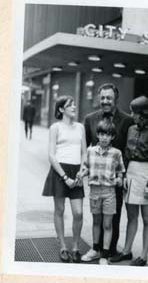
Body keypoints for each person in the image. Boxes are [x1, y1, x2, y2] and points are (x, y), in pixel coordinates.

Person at [110, 96, 148, 266]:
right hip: (131, 174)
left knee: (147, 218)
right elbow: (126, 155)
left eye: (134, 112)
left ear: (143, 113)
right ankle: (126, 252)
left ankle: (144, 255)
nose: (132, 115)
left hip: (146, 174)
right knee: (131, 217)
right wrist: (124, 175)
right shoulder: (131, 129)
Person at [84, 83, 133, 258]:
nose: (105, 101)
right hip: (97, 179)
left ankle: (110, 249)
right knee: (97, 216)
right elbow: (86, 149)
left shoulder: (127, 120)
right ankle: (96, 247)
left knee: (115, 214)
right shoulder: (90, 119)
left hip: (115, 179)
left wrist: (124, 175)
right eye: (102, 97)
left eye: (109, 98)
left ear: (116, 99)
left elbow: (129, 150)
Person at [42, 95, 86, 263]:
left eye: (74, 103)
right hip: (60, 171)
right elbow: (51, 155)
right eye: (70, 105)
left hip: (77, 171)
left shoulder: (80, 127)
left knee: (79, 212)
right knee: (59, 210)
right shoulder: (55, 127)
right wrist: (65, 177)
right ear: (61, 109)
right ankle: (63, 246)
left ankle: (75, 247)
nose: (74, 106)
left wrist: (81, 171)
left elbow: (83, 152)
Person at [80, 119, 125, 265]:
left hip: (109, 192)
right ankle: (95, 250)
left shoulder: (116, 153)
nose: (104, 137)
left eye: (108, 135)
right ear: (98, 135)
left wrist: (119, 179)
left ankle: (104, 255)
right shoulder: (90, 151)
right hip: (94, 191)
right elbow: (86, 167)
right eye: (102, 134)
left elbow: (120, 172)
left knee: (107, 224)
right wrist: (82, 173)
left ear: (112, 137)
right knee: (96, 222)